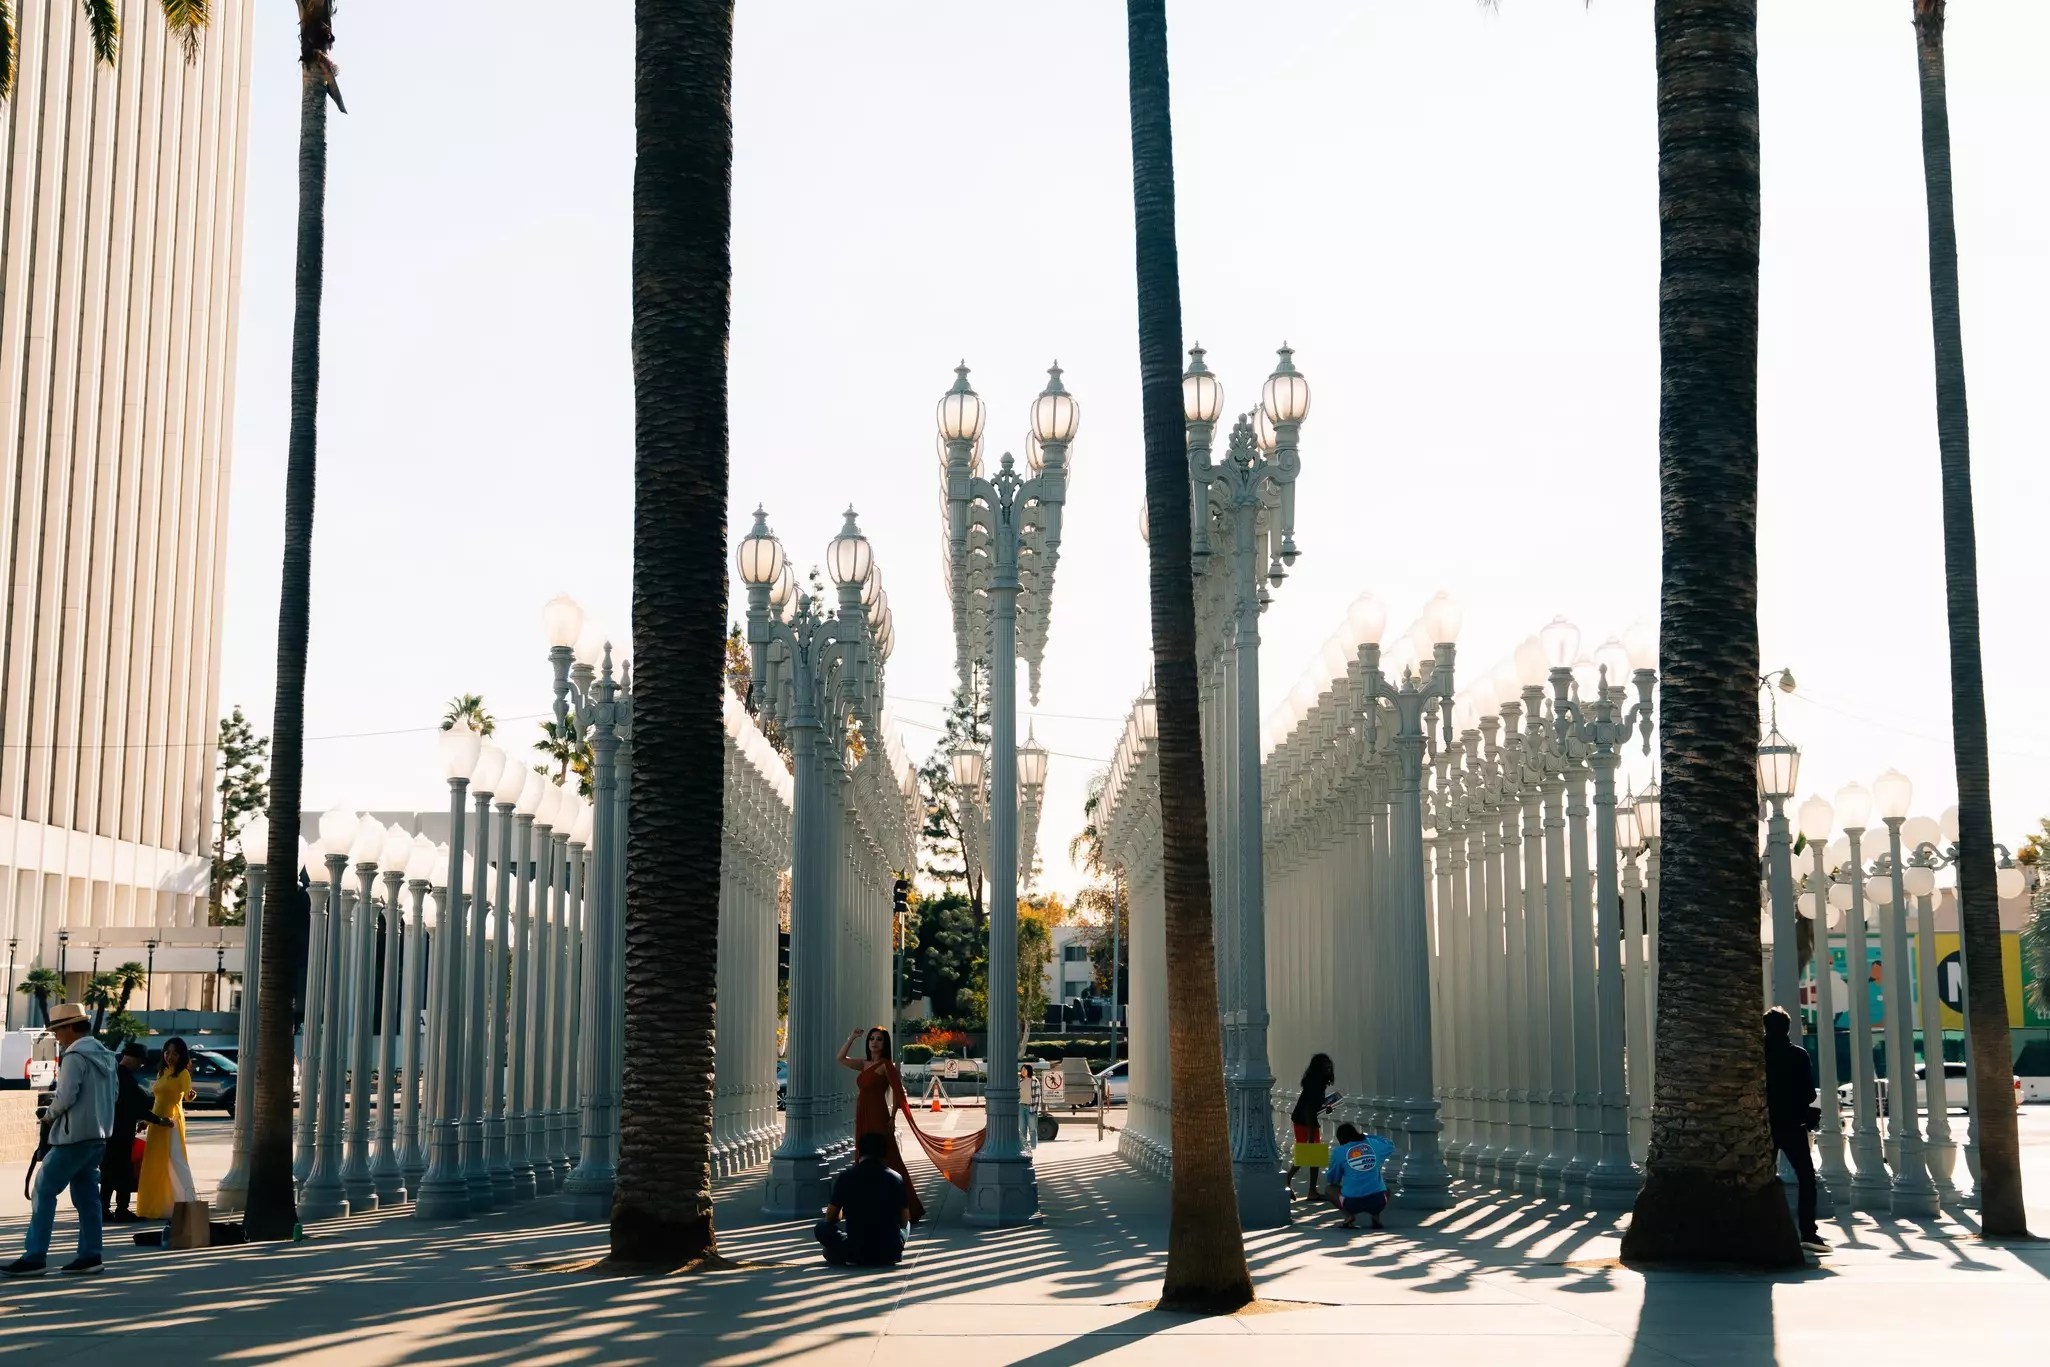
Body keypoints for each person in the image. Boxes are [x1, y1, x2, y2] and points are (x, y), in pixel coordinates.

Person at [5, 1004, 115, 1276]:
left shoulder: (75, 1057)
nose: (55, 1036)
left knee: (44, 1190)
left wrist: (49, 1116)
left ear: (69, 1028)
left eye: (57, 1030)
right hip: (98, 1136)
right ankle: (91, 1255)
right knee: (88, 1197)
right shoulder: (106, 1056)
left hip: (72, 1138)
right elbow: (114, 1095)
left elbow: (66, 1096)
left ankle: (35, 1256)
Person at [837, 1026, 924, 1224]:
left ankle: (907, 1206)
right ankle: (864, 1205)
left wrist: (892, 1118)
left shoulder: (886, 1065)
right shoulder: (864, 1064)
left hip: (878, 1114)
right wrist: (851, 1037)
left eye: (879, 1039)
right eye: (871, 1039)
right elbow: (841, 1059)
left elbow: (898, 1092)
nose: (874, 1042)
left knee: (887, 1158)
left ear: (885, 1044)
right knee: (862, 1156)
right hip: (862, 1114)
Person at [1764, 1007, 1825, 1252]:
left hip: (1763, 1123)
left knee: (1761, 1177)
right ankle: (1808, 1232)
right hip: (1792, 1124)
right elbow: (1809, 1093)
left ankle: (1764, 1228)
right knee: (1806, 1178)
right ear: (1788, 1028)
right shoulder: (1798, 1055)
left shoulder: (1757, 1055)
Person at [814, 1131, 910, 1267]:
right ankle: (891, 1249)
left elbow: (831, 1217)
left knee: (821, 1227)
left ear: (859, 1151)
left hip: (857, 1250)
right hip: (889, 1252)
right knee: (907, 1226)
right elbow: (904, 1220)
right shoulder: (896, 1178)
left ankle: (840, 1252)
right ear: (884, 1153)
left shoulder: (846, 1177)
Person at [136, 1037, 198, 1222]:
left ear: (182, 1055)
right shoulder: (162, 1072)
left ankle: (188, 1205)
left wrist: (190, 1095)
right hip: (157, 1121)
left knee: (177, 1161)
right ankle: (157, 1206)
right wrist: (147, 1121)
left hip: (171, 1121)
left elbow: (187, 1094)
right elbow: (158, 1102)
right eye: (167, 1052)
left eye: (175, 1053)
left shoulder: (182, 1074)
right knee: (155, 1162)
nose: (170, 1056)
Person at [101, 1042, 158, 1223]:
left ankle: (103, 1209)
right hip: (121, 1133)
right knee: (124, 1171)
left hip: (109, 1130)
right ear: (133, 1058)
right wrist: (158, 1120)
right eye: (140, 1062)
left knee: (108, 1172)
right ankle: (121, 1209)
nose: (141, 1066)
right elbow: (137, 1105)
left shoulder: (113, 1074)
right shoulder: (124, 1078)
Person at [1323, 1122, 1396, 1230]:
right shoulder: (1373, 1145)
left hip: (1352, 1202)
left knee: (1329, 1189)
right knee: (1386, 1189)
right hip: (1377, 1201)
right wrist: (1367, 1136)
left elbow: (1333, 1179)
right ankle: (1376, 1216)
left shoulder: (1339, 1151)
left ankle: (1349, 1215)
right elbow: (1390, 1144)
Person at [1286, 1053, 1338, 1199]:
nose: (1329, 1067)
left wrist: (1324, 1107)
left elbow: (1313, 1105)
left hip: (1305, 1120)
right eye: (1325, 1065)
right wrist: (1310, 1133)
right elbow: (1309, 1108)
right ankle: (1288, 1181)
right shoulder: (1316, 1084)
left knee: (1312, 1156)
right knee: (1306, 1154)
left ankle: (1311, 1190)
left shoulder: (1315, 1082)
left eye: (1329, 1064)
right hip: (1305, 1122)